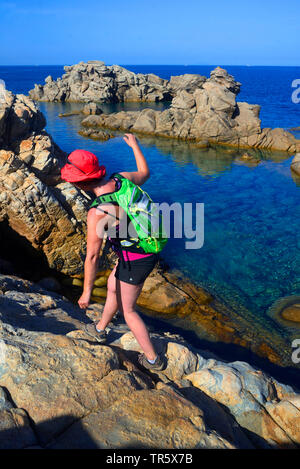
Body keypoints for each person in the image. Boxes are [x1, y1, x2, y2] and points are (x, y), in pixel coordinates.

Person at [60, 133, 166, 371]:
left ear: (80, 184)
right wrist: (135, 146)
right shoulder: (121, 179)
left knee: (128, 310)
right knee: (111, 285)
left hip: (136, 259)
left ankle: (153, 359)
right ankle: (99, 329)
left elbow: (93, 256)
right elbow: (145, 173)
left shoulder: (98, 211)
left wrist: (86, 292)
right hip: (141, 249)